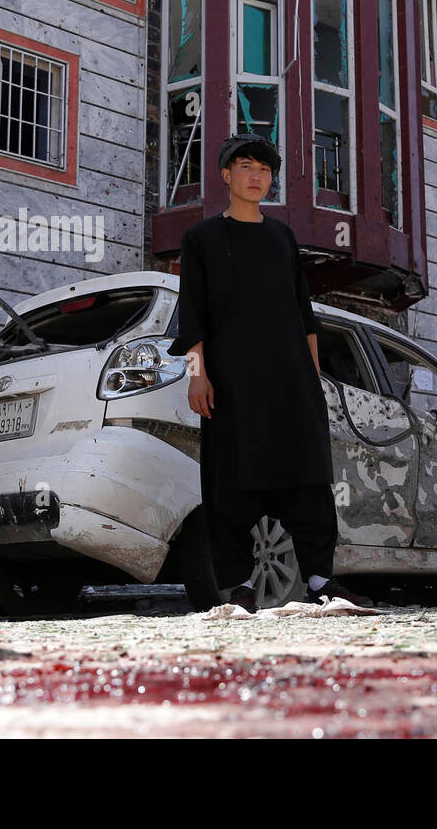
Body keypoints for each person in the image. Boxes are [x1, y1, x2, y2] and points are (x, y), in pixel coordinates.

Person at [169, 133, 365, 609]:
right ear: (225, 175)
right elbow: (192, 314)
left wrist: (312, 377)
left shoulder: (281, 237)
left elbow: (304, 315)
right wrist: (198, 373)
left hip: (292, 384)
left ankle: (320, 582)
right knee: (228, 481)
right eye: (246, 167)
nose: (256, 177)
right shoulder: (201, 239)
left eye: (264, 169)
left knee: (310, 478)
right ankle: (236, 588)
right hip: (231, 385)